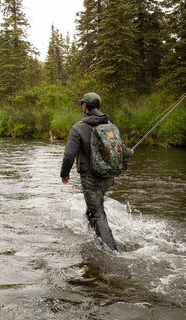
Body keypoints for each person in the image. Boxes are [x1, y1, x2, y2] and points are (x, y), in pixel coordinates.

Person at [60, 92, 134, 251]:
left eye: (82, 104)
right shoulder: (110, 126)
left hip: (90, 178)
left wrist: (64, 174)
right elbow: (123, 151)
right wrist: (131, 152)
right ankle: (95, 241)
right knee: (93, 209)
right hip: (108, 177)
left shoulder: (78, 128)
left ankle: (112, 253)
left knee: (97, 213)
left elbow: (68, 155)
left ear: (85, 106)